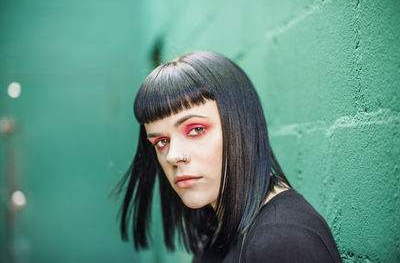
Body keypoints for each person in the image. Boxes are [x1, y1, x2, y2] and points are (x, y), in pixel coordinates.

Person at [115, 51, 342, 262]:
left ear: (241, 127)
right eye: (161, 142)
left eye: (196, 130)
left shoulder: (282, 240)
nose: (173, 156)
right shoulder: (219, 227)